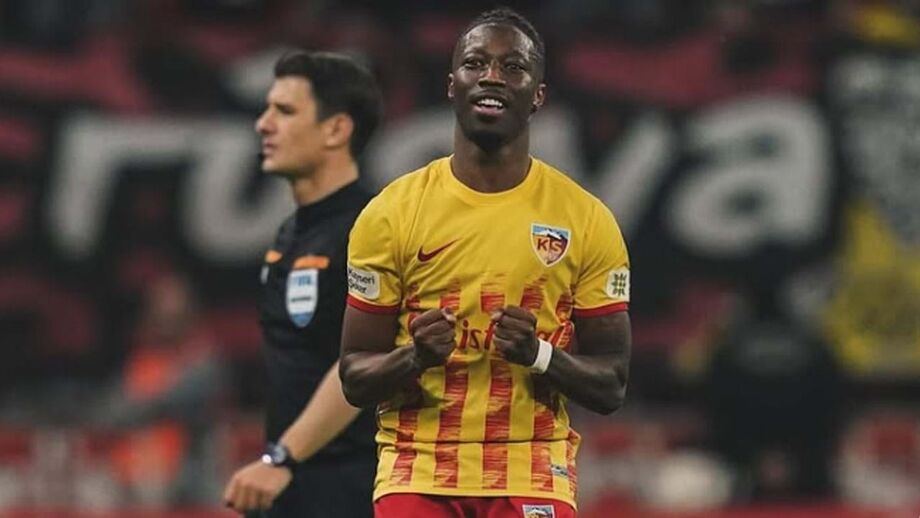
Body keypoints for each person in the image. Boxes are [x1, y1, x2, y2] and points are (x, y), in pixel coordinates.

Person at [340, 8, 631, 518]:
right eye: (475, 63)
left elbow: (611, 384)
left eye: (513, 67)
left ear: (538, 95)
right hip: (418, 470)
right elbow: (354, 376)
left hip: (532, 471)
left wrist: (539, 355)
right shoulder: (391, 214)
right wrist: (414, 357)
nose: (492, 76)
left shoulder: (585, 220)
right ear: (452, 85)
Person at [222, 50, 383, 517]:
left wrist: (283, 457)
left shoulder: (371, 228)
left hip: (354, 486)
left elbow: (364, 359)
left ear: (336, 129)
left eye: (285, 111)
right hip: (294, 483)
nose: (263, 124)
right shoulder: (290, 233)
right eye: (267, 109)